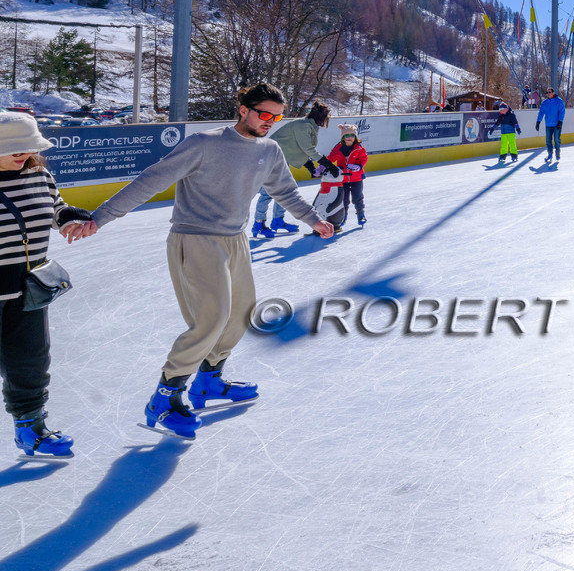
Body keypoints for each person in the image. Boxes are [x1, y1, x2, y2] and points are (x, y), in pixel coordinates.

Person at [63, 82, 335, 439]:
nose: (270, 121)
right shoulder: (204, 144)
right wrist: (99, 217)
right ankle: (166, 396)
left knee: (240, 315)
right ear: (244, 109)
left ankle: (209, 381)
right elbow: (150, 181)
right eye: (264, 113)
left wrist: (312, 219)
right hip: (195, 239)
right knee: (210, 319)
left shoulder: (269, 150)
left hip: (235, 240)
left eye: (277, 116)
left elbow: (284, 190)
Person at [1, 113, 92, 457]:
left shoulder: (39, 174)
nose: (25, 153)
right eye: (16, 147)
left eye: (30, 146)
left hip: (27, 291)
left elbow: (54, 204)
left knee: (31, 364)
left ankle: (31, 429)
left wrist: (67, 216)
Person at [252, 99, 329, 239]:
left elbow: (298, 148)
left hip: (281, 158)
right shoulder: (303, 126)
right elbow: (307, 148)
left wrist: (310, 166)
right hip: (271, 157)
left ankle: (277, 220)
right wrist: (325, 162)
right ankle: (259, 223)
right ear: (321, 118)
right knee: (267, 193)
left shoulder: (307, 126)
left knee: (285, 189)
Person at [328, 124, 368, 226]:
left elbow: (364, 158)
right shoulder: (338, 148)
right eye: (346, 135)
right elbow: (330, 158)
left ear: (355, 137)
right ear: (343, 137)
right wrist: (324, 166)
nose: (349, 137)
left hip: (356, 178)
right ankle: (343, 217)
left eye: (352, 135)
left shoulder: (359, 148)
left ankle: (361, 215)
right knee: (344, 200)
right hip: (342, 179)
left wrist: (358, 166)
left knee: (357, 198)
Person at [536, 88, 566, 164]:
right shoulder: (544, 102)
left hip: (557, 124)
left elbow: (562, 112)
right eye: (547, 92)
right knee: (548, 140)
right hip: (548, 124)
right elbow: (541, 112)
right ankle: (550, 154)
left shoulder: (559, 101)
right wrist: (538, 122)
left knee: (556, 139)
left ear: (553, 92)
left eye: (549, 92)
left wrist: (560, 121)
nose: (548, 94)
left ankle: (557, 152)